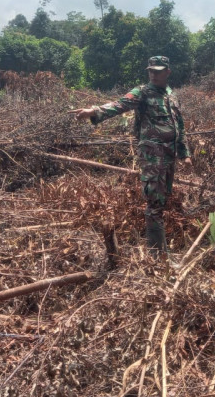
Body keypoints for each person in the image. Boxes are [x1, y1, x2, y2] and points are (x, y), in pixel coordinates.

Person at [70, 56, 192, 255]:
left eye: (158, 71)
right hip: (152, 155)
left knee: (163, 199)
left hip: (169, 155)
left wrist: (185, 153)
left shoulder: (172, 95)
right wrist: (94, 111)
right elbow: (120, 105)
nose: (153, 74)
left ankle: (159, 250)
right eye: (151, 70)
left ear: (168, 72)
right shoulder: (142, 92)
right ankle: (157, 255)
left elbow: (180, 125)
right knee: (154, 202)